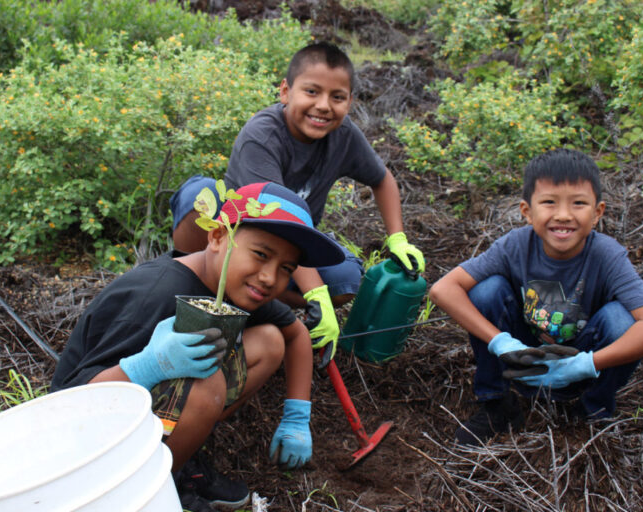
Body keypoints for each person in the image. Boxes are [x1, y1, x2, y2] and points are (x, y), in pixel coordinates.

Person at [51, 182, 346, 512]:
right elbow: (68, 405)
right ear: (218, 236)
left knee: (268, 340)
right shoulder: (154, 295)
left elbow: (294, 334)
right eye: (261, 255)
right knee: (207, 382)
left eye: (286, 269)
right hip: (82, 434)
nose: (268, 277)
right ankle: (147, 490)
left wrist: (296, 416)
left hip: (138, 412)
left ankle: (178, 459)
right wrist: (148, 366)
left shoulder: (238, 287)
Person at [170, 41, 425, 362]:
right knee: (200, 195)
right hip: (237, 243)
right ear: (285, 92)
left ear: (350, 102)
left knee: (347, 278)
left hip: (289, 252)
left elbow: (382, 179)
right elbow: (278, 225)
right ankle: (186, 283)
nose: (323, 106)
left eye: (337, 97)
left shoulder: (344, 136)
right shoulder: (262, 135)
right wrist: (315, 293)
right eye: (312, 92)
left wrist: (397, 237)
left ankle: (262, 303)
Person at [429, 148, 643, 446]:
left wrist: (585, 364)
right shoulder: (515, 246)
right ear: (527, 211)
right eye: (549, 202)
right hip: (521, 359)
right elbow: (443, 289)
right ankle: (497, 404)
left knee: (621, 320)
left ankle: (591, 410)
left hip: (583, 365)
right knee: (486, 291)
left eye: (578, 204)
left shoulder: (606, 254)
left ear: (597, 212)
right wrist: (502, 343)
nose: (563, 215)